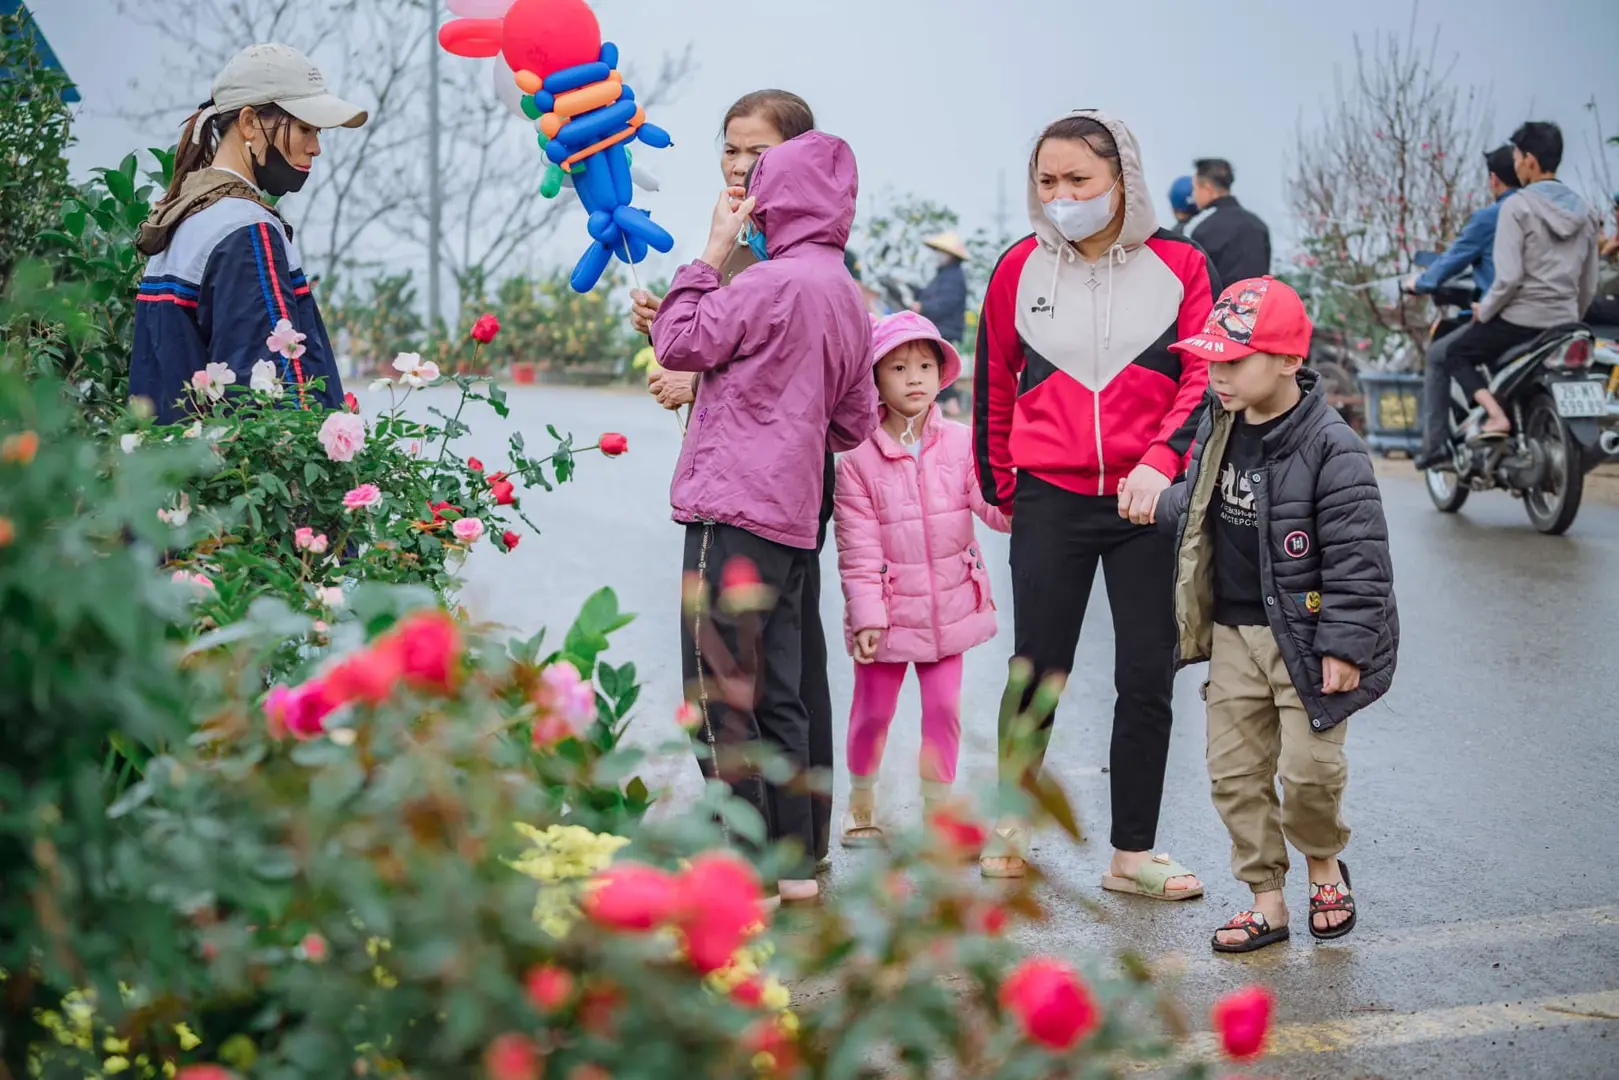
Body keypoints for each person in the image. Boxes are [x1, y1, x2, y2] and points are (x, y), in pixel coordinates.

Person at [973, 111, 1217, 890]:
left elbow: (1202, 378)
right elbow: (992, 386)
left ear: (1123, 179)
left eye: (1078, 179)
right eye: (1047, 181)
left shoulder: (1180, 264)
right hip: (1049, 499)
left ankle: (1131, 853)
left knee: (1146, 677)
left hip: (1148, 502)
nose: (1061, 195)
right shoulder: (1017, 268)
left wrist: (1159, 460)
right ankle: (1008, 820)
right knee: (1035, 669)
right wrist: (1002, 486)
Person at [651, 131, 878, 902]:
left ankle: (737, 866)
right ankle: (792, 862)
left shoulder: (764, 283)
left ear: (772, 202)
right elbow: (854, 422)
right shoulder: (847, 295)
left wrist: (708, 257)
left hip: (729, 509)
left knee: (718, 692)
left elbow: (678, 343)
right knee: (781, 690)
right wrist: (796, 413)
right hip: (790, 519)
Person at [1155, 276, 1397, 953]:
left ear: (1288, 360)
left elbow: (1358, 558)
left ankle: (1323, 861)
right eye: (1210, 360)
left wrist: (1345, 647)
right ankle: (1266, 898)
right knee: (1233, 774)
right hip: (1233, 632)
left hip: (1308, 638)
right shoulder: (1216, 425)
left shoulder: (1331, 446)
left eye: (1234, 361)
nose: (1217, 375)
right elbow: (1198, 507)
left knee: (1309, 773)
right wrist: (1159, 501)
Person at [630, 90, 840, 865]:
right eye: (729, 148)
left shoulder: (769, 256)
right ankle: (797, 845)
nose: (740, 165)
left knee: (741, 672)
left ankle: (754, 853)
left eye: (758, 152)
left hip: (758, 484)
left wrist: (693, 365)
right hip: (786, 481)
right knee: (781, 665)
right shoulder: (788, 252)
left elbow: (715, 354)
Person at [833, 311, 1010, 846]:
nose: (915, 378)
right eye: (899, 367)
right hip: (885, 616)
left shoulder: (960, 443)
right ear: (876, 381)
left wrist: (1031, 502)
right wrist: (866, 614)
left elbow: (993, 507)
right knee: (872, 714)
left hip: (950, 610)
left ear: (941, 374)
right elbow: (857, 547)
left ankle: (938, 817)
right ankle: (861, 806)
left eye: (926, 366)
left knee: (942, 712)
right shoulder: (857, 457)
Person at [132, 43, 365, 422]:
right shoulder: (246, 229)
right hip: (233, 479)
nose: (316, 147)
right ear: (248, 123)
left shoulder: (186, 217)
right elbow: (271, 401)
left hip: (175, 472)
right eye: (305, 127)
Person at [1440, 121, 1600, 439]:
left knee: (1454, 354)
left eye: (1515, 156)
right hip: (1564, 323)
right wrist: (1570, 317)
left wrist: (1483, 311)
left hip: (1520, 322)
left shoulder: (1517, 206)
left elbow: (1509, 279)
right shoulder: (1587, 212)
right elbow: (1589, 283)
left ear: (1530, 160)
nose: (1514, 164)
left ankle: (1497, 416)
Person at [1405, 145, 1522, 469]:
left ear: (1494, 179)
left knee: (1442, 353)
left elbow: (1452, 261)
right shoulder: (1546, 212)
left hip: (1508, 316)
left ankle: (1436, 445)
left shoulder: (1494, 217)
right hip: (1561, 315)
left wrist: (1420, 282)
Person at [1185, 158, 1271, 286]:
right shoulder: (1258, 225)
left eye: (1195, 188)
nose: (1194, 195)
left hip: (1220, 304)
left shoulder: (1203, 227)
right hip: (1258, 303)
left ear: (1207, 188)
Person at [913, 232, 970, 345]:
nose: (936, 254)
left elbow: (945, 303)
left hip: (945, 333)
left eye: (940, 251)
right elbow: (929, 295)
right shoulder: (943, 275)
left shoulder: (954, 277)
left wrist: (922, 307)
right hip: (937, 331)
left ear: (950, 255)